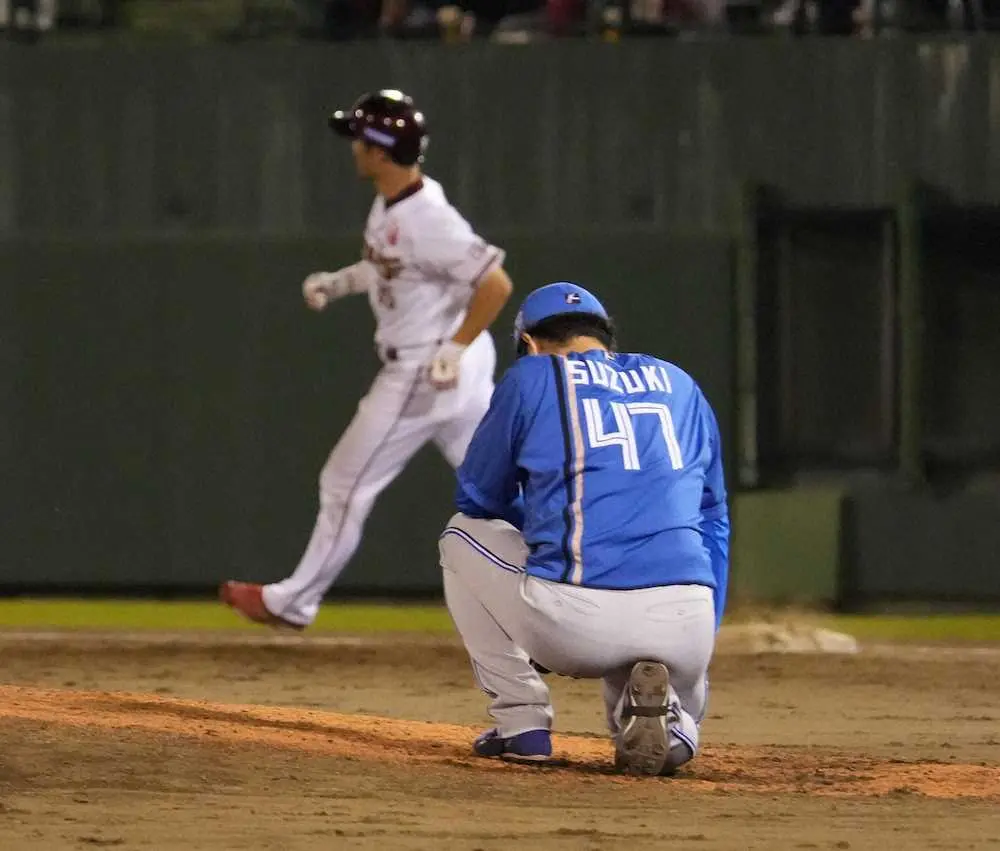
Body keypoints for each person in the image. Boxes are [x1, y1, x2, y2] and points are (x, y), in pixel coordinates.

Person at [222, 90, 514, 630]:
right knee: (498, 490)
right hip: (453, 371)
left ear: (379, 151)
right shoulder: (394, 203)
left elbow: (495, 284)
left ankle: (293, 602)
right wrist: (339, 283)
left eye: (360, 138)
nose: (353, 147)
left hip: (427, 368)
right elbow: (387, 266)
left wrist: (455, 346)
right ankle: (575, 584)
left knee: (343, 482)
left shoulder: (430, 216)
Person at [438, 281, 729, 775]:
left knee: (459, 535)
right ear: (605, 339)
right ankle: (676, 727)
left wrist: (544, 524)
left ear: (529, 343)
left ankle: (521, 722)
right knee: (652, 660)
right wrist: (706, 633)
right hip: (688, 620)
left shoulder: (533, 376)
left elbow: (478, 498)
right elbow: (714, 520)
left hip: (575, 619)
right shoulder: (679, 382)